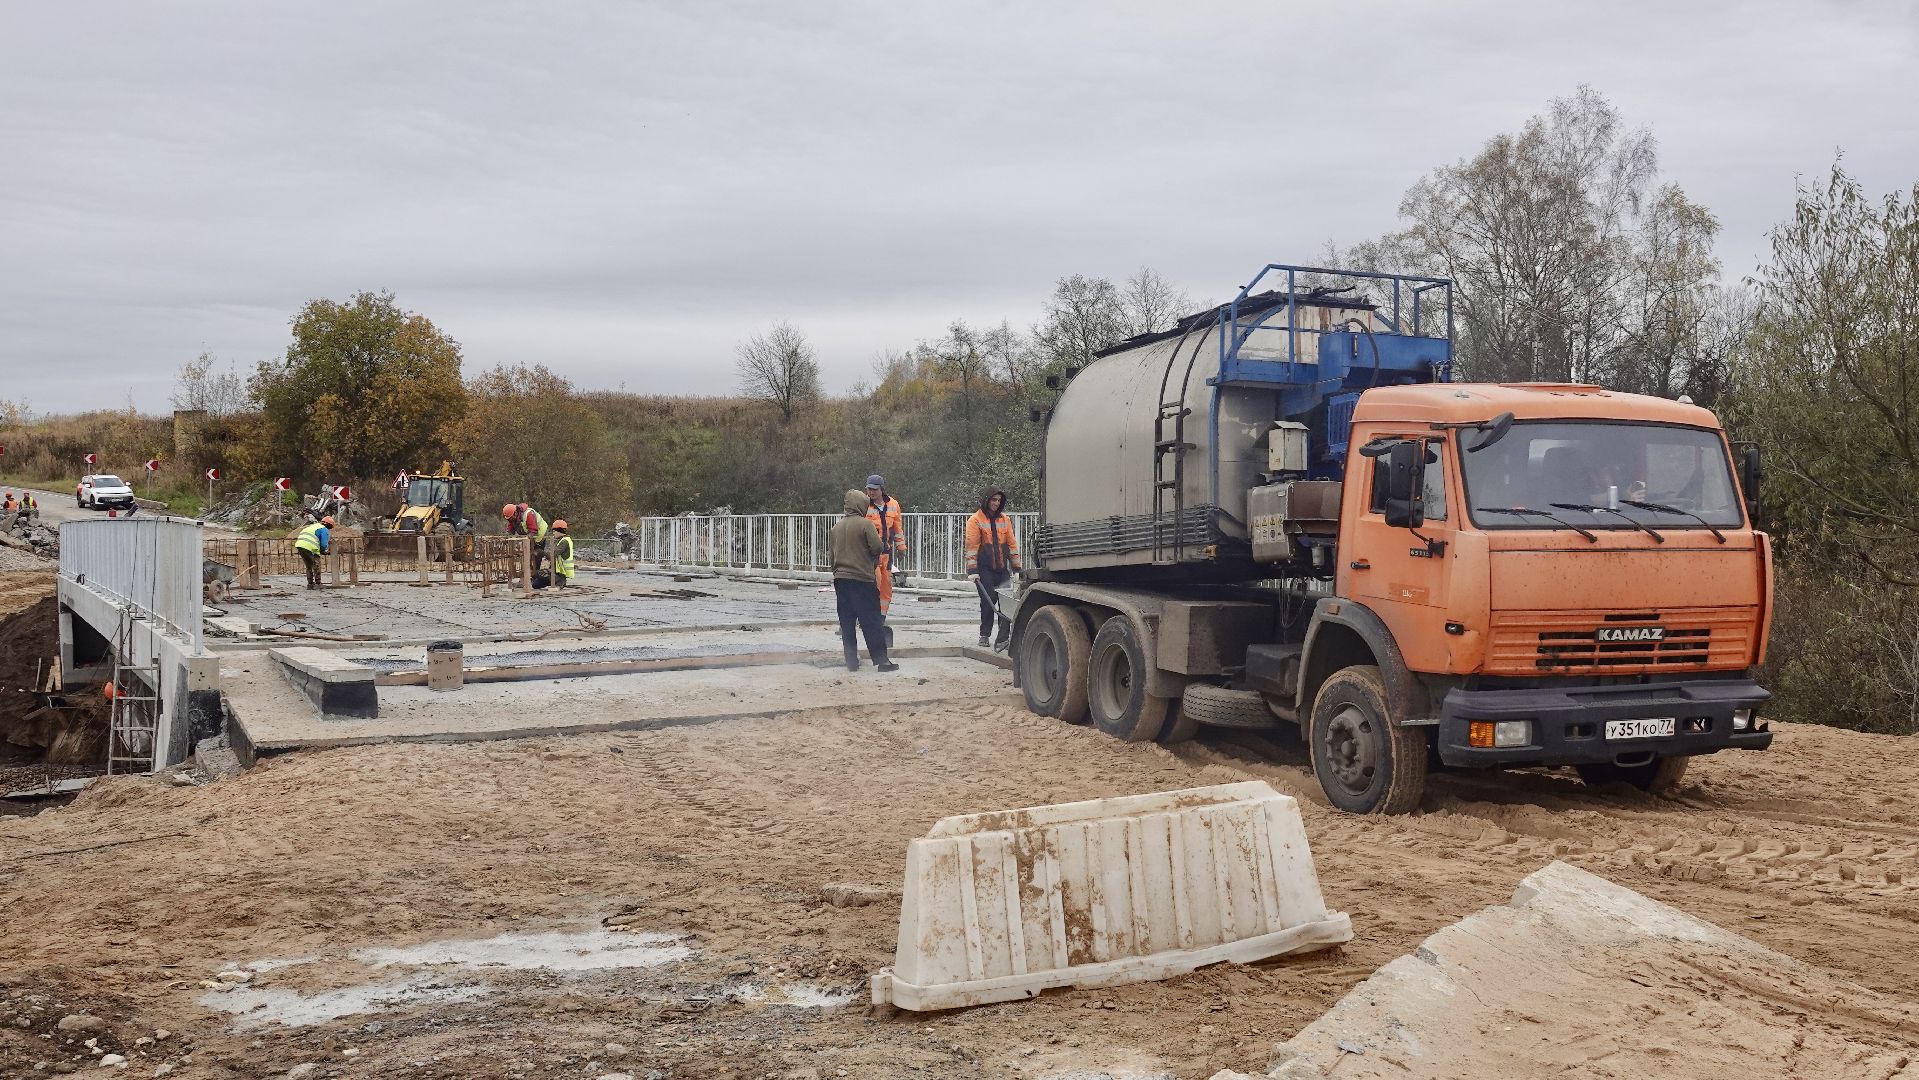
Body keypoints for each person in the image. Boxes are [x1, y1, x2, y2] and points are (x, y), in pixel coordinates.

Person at [832, 489, 897, 673]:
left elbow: (832, 556)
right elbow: (877, 547)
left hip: (841, 580)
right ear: (860, 505)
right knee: (871, 621)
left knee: (847, 623)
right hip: (862, 580)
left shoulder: (835, 528)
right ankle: (882, 661)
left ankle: (851, 661)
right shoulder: (865, 524)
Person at [965, 487, 1021, 649]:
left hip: (1002, 569)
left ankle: (1003, 638)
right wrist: (973, 571)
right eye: (993, 500)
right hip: (984, 569)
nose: (996, 503)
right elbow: (972, 547)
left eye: (998, 500)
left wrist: (1017, 567)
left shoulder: (1005, 519)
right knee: (988, 601)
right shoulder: (975, 520)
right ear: (986, 500)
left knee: (1006, 602)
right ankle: (985, 634)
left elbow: (1011, 545)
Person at [864, 474, 906, 616]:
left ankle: (881, 616)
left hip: (887, 554)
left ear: (882, 489)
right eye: (869, 489)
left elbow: (897, 529)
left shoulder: (893, 505)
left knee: (886, 587)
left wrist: (901, 548)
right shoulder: (864, 505)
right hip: (870, 555)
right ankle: (869, 616)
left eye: (874, 489)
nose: (871, 492)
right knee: (871, 586)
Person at [502, 502, 551, 574]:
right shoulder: (512, 518)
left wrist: (526, 541)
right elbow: (510, 529)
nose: (510, 520)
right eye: (508, 519)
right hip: (531, 533)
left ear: (515, 513)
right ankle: (528, 576)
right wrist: (506, 537)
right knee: (527, 554)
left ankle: (534, 575)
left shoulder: (529, 514)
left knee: (536, 554)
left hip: (540, 534)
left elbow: (533, 530)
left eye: (510, 518)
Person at [295, 515, 335, 590]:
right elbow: (323, 544)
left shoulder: (313, 526)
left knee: (308, 565)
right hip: (310, 547)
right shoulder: (324, 529)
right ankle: (318, 583)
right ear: (329, 525)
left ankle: (310, 584)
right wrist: (324, 551)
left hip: (300, 545)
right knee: (316, 564)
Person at [550, 519, 576, 588]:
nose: (553, 533)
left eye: (554, 531)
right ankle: (560, 581)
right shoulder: (564, 540)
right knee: (537, 584)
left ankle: (560, 582)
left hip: (562, 571)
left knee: (540, 580)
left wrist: (541, 553)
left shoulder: (564, 541)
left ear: (559, 531)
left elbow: (553, 554)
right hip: (561, 571)